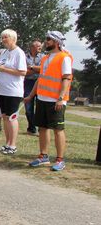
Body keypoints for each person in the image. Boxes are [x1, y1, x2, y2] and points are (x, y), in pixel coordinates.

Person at [25, 31, 73, 171]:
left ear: (57, 42)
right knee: (43, 128)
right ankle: (43, 156)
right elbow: (41, 79)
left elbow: (66, 79)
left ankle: (60, 159)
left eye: (49, 40)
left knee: (58, 129)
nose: (46, 42)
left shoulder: (64, 58)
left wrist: (60, 98)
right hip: (42, 99)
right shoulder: (45, 58)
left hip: (56, 101)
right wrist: (31, 95)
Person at [0, 29, 27, 155]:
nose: (3, 40)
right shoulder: (4, 52)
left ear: (13, 38)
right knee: (4, 117)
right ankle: (7, 143)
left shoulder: (19, 53)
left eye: (5, 37)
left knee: (11, 117)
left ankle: (13, 145)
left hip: (13, 90)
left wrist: (4, 69)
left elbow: (22, 72)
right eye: (2, 37)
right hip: (2, 89)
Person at [24, 39, 43, 135]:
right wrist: (37, 69)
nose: (40, 47)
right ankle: (31, 128)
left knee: (40, 107)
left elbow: (44, 69)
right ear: (32, 47)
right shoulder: (24, 56)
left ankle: (41, 129)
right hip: (27, 83)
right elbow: (23, 70)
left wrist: (31, 67)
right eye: (38, 46)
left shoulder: (44, 57)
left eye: (41, 46)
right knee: (28, 107)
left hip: (40, 83)